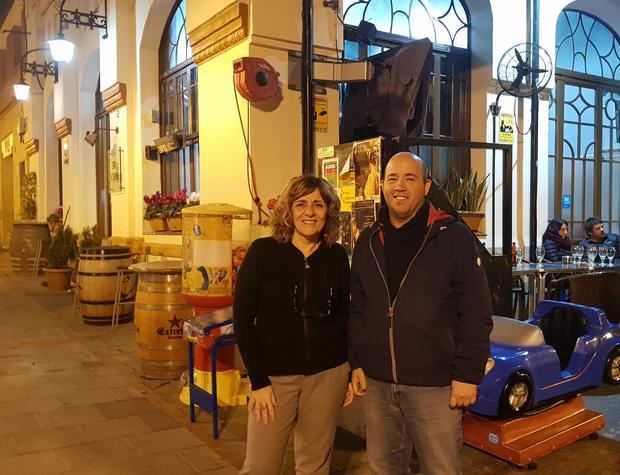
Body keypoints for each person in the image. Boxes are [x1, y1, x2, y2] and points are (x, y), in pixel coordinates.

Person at [349, 152, 493, 475]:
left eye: (410, 178)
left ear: (426, 186)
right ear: (383, 186)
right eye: (392, 179)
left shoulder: (452, 237)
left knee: (440, 468)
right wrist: (356, 361)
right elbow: (357, 308)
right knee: (384, 468)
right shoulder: (368, 241)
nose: (399, 186)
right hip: (378, 385)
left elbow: (476, 311)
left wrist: (467, 375)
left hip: (436, 387)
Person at [233, 175, 352, 475]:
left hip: (327, 375)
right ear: (288, 209)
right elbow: (243, 321)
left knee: (314, 465)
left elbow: (345, 316)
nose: (309, 212)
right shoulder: (263, 252)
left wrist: (348, 370)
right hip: (274, 379)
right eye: (301, 204)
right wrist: (257, 381)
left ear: (329, 211)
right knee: (260, 466)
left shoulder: (336, 256)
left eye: (318, 204)